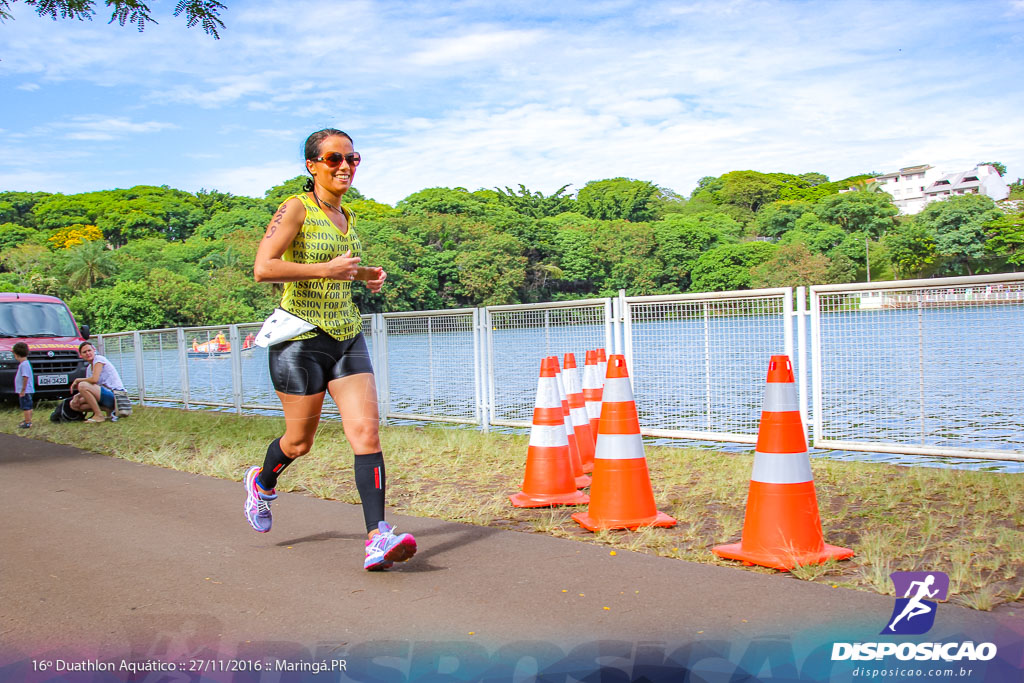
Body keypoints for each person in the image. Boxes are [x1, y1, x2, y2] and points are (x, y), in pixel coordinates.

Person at [246, 128, 416, 571]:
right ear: (312, 166)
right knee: (299, 443)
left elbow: (341, 271)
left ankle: (378, 537)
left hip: (346, 335)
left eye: (353, 158)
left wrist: (365, 276)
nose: (345, 166)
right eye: (334, 158)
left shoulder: (349, 216)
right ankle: (262, 483)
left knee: (366, 434)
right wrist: (326, 268)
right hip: (300, 339)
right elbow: (264, 268)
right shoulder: (296, 207)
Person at [70, 341, 126, 424]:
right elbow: (91, 387)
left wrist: (77, 380)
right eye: (84, 352)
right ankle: (108, 410)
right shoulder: (89, 368)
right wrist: (77, 396)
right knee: (74, 404)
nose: (88, 353)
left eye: (89, 350)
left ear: (94, 350)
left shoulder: (99, 359)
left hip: (116, 396)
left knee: (82, 385)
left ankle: (98, 415)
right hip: (103, 395)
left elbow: (94, 380)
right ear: (81, 355)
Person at [13, 341, 33, 429]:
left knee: (26, 406)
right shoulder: (25, 363)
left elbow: (25, 377)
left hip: (25, 390)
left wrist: (23, 389)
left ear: (16, 354)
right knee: (28, 405)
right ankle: (28, 420)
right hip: (27, 390)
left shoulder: (24, 365)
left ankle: (27, 422)